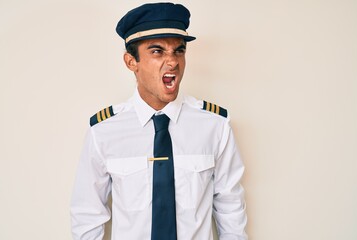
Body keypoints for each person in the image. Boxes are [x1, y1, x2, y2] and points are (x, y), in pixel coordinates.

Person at [70, 2, 247, 240]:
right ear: (131, 62)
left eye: (179, 51)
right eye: (157, 51)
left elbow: (230, 209)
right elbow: (87, 217)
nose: (172, 62)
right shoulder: (103, 131)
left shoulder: (214, 125)